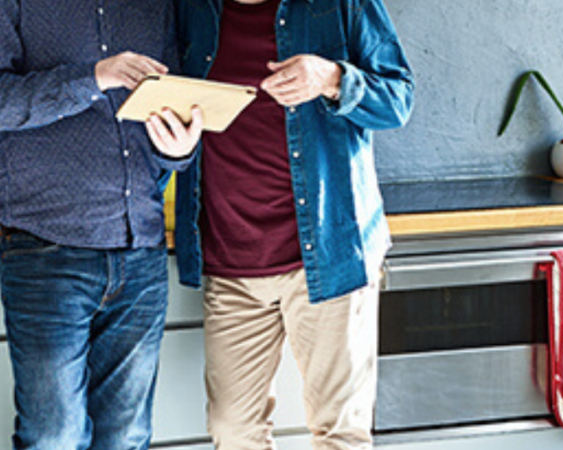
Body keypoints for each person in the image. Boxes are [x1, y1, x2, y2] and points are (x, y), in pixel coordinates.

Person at [0, 1, 203, 449]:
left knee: (127, 438)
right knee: (54, 437)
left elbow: (169, 109)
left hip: (139, 250)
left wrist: (179, 148)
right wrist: (92, 78)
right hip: (46, 250)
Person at [174, 0, 414, 449]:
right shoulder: (192, 9)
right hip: (231, 261)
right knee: (232, 430)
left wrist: (333, 79)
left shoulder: (342, 4)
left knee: (339, 433)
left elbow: (399, 101)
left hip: (329, 251)